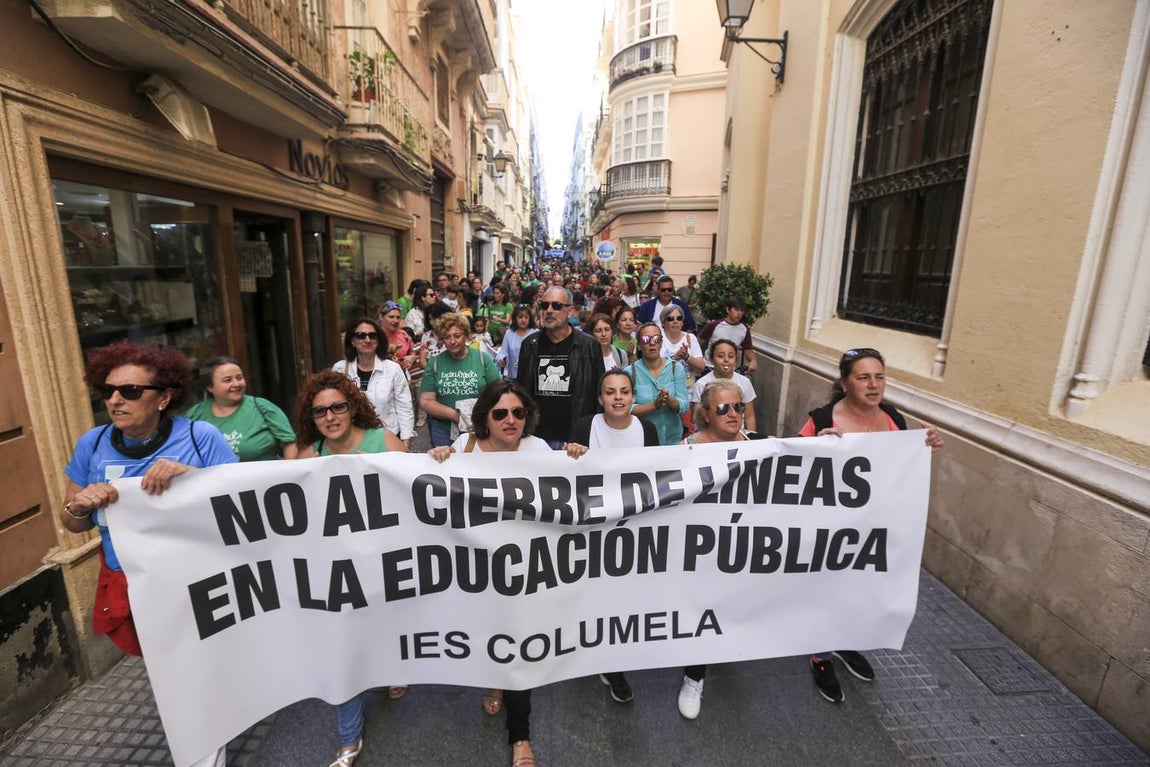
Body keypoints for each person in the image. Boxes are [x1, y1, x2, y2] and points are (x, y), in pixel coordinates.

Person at [61, 341, 237, 767]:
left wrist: (192, 477)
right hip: (131, 582)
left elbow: (239, 501)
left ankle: (204, 747)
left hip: (195, 580)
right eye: (108, 391)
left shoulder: (200, 436)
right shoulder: (92, 444)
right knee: (169, 674)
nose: (116, 400)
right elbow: (70, 520)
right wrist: (81, 505)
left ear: (164, 396)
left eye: (131, 391)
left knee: (190, 672)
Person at [796, 347, 944, 703]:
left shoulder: (893, 418)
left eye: (879, 376)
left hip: (875, 527)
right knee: (828, 592)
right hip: (830, 531)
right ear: (845, 383)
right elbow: (791, 466)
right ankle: (822, 657)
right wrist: (816, 448)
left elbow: (899, 470)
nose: (874, 385)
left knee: (861, 591)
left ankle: (847, 644)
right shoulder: (819, 419)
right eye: (863, 377)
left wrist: (926, 446)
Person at [428, 380, 553, 767]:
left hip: (525, 568)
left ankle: (520, 737)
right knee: (487, 633)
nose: (511, 420)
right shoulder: (464, 448)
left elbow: (572, 488)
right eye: (500, 413)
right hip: (477, 567)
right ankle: (492, 676)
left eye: (519, 412)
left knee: (519, 644)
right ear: (485, 417)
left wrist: (577, 456)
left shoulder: (539, 449)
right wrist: (434, 456)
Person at [294, 371, 407, 766]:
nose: (330, 416)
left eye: (338, 406)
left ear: (352, 406)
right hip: (336, 573)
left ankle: (394, 667)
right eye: (320, 410)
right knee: (343, 649)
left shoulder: (384, 442)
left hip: (384, 565)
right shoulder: (306, 457)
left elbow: (418, 494)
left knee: (387, 631)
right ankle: (348, 739)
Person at [675, 379, 754, 720]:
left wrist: (830, 447)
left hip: (739, 548)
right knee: (703, 610)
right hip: (699, 550)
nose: (733, 413)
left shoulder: (758, 446)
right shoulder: (686, 449)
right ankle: (694, 678)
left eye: (738, 406)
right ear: (704, 414)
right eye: (723, 408)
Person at [515, 287, 601, 449]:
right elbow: (522, 391)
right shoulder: (529, 345)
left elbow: (598, 394)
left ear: (569, 311)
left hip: (575, 439)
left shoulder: (589, 346)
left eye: (556, 306)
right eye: (544, 305)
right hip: (537, 438)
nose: (549, 310)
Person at [186, 356, 298, 461]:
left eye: (239, 378)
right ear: (210, 387)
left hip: (266, 479)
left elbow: (289, 442)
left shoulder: (262, 408)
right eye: (227, 380)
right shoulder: (195, 414)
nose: (236, 384)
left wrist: (291, 471)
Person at [420, 312, 501, 447]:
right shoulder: (435, 363)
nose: (452, 341)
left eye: (457, 336)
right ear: (441, 339)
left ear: (466, 335)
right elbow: (426, 401)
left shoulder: (482, 359)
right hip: (444, 431)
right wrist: (455, 415)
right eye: (447, 337)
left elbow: (498, 393)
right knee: (446, 466)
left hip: (479, 427)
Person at [332, 318, 414, 445]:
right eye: (360, 335)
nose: (367, 340)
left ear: (379, 340)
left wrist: (405, 440)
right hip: (352, 440)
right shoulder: (339, 369)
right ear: (352, 341)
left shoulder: (393, 369)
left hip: (388, 438)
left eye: (372, 335)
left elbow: (404, 405)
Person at [624, 323, 688, 446]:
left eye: (656, 339)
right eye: (646, 339)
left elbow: (684, 405)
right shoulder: (629, 372)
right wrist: (654, 405)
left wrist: (669, 401)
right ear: (639, 346)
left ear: (661, 343)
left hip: (673, 440)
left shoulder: (676, 368)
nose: (652, 343)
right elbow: (627, 409)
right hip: (642, 441)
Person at [689, 339, 758, 434]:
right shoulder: (701, 384)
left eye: (730, 356)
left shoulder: (744, 382)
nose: (726, 360)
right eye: (720, 356)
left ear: (736, 359)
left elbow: (749, 416)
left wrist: (752, 439)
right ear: (711, 360)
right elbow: (695, 418)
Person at [697, 296, 758, 374]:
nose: (739, 313)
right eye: (736, 310)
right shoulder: (714, 325)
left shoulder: (744, 329)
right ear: (728, 310)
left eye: (741, 310)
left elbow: (748, 349)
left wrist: (753, 360)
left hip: (729, 369)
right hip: (710, 367)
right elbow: (699, 342)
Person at [659, 304, 706, 378]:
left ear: (682, 322)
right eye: (670, 318)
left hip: (688, 387)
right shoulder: (658, 339)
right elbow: (654, 369)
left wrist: (687, 357)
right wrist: (675, 358)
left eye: (679, 318)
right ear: (663, 322)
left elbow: (701, 368)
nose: (675, 321)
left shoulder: (690, 338)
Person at [496, 304, 537, 379]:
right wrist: (501, 359)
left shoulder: (536, 333)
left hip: (532, 377)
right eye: (520, 317)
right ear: (515, 318)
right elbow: (503, 352)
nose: (523, 320)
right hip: (513, 377)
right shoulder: (509, 333)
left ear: (530, 318)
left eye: (526, 317)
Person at [378, 301, 417, 375]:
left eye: (398, 317)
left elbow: (413, 353)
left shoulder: (404, 335)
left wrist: (412, 358)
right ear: (381, 317)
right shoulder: (373, 336)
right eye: (391, 317)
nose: (395, 320)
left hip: (402, 377)